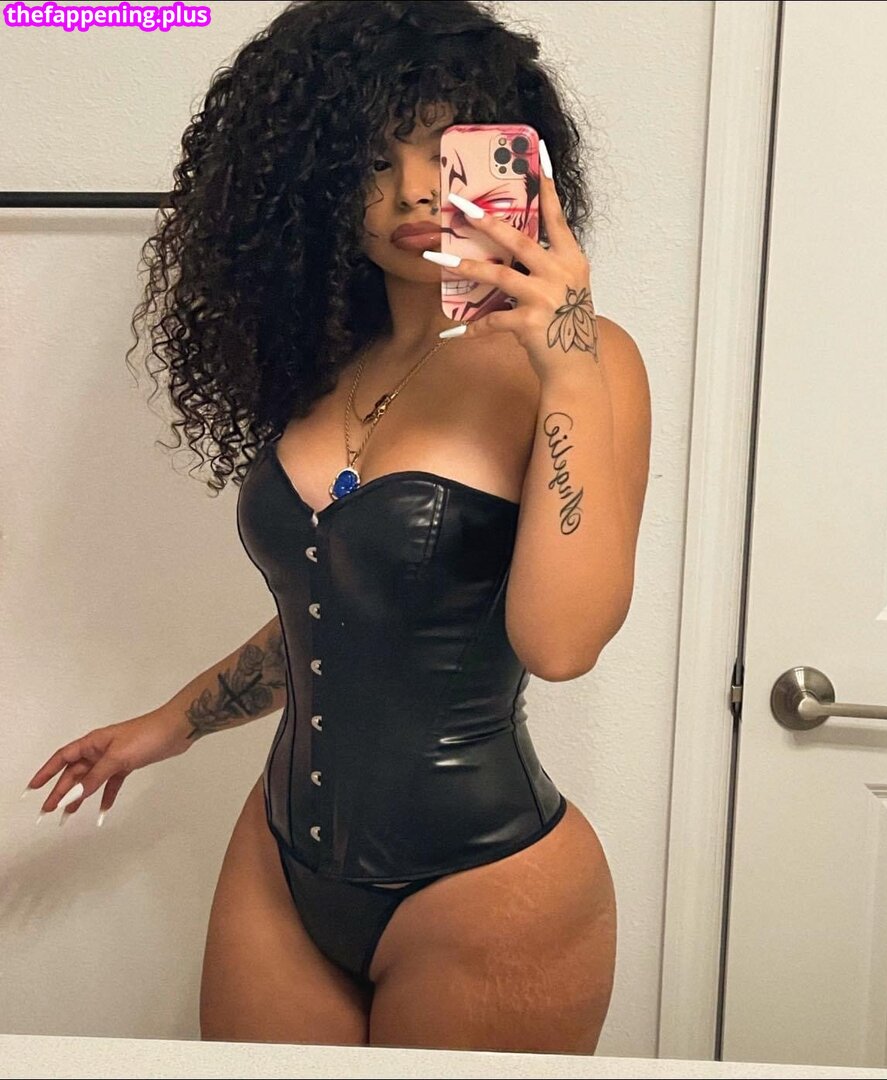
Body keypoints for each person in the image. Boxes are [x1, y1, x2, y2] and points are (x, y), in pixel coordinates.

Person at [24, 0, 650, 1056]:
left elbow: (561, 644)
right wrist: (173, 723)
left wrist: (569, 361)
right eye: (368, 159)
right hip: (279, 863)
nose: (411, 190)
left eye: (442, 149)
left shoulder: (587, 362)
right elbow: (347, 608)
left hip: (481, 886)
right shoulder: (327, 369)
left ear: (511, 159)